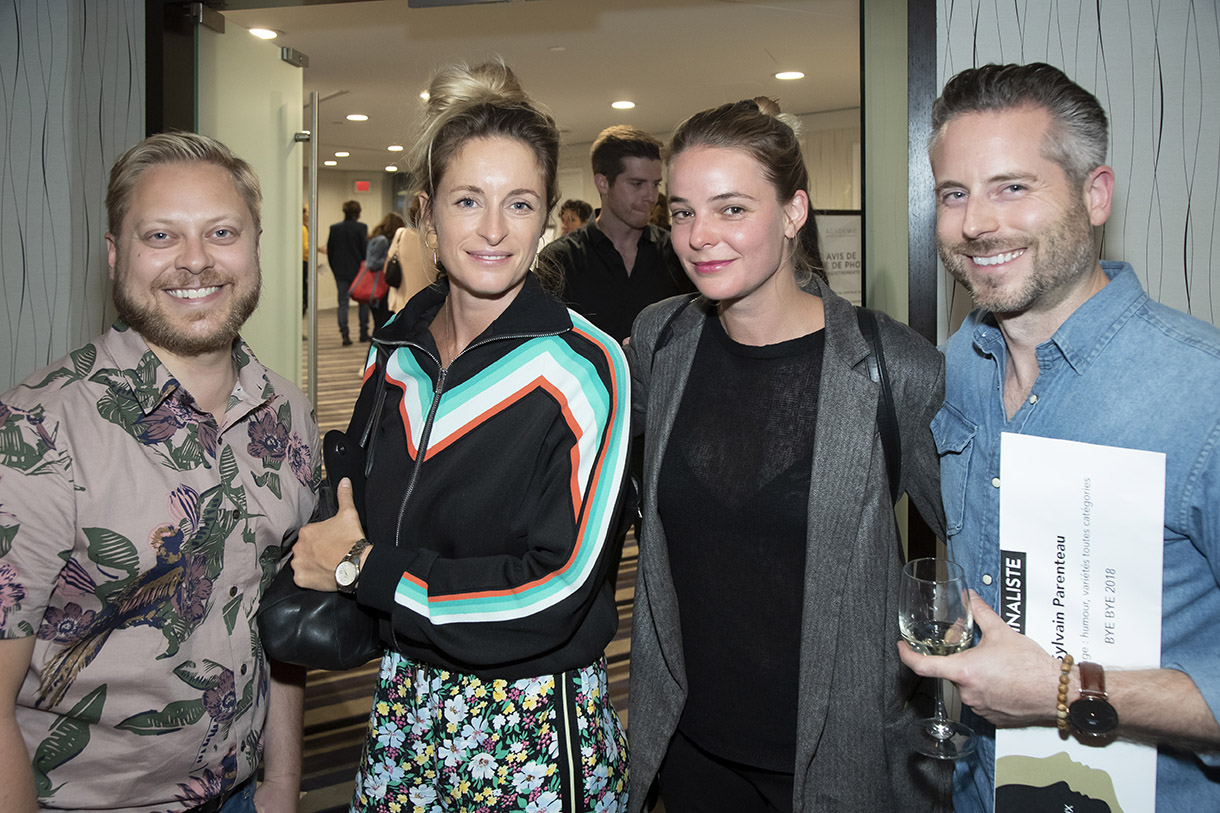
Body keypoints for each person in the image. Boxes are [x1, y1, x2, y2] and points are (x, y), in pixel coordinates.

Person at [290, 60, 631, 812]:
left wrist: (363, 567)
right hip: (401, 704)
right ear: (426, 212)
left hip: (528, 724)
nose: (493, 230)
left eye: (520, 204)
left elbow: (557, 590)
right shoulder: (396, 349)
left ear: (546, 218)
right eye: (468, 200)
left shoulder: (583, 365)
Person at [899, 62, 1220, 810]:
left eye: (1013, 186)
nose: (977, 223)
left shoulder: (1201, 394)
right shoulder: (958, 367)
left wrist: (1064, 690)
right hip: (977, 788)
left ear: (1095, 195)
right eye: (954, 193)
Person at [626, 97, 948, 812]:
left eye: (732, 209)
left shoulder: (892, 367)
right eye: (682, 212)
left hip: (838, 757)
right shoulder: (662, 341)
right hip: (692, 749)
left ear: (794, 211)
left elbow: (984, 539)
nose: (699, 236)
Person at [0, 132, 319, 812]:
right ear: (116, 256)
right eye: (161, 236)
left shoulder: (288, 415)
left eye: (221, 232)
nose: (196, 259)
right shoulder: (34, 432)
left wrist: (281, 782)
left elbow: (281, 619)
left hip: (242, 793)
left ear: (256, 247)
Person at [539, 125, 692, 343]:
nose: (651, 196)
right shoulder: (560, 259)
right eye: (637, 184)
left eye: (655, 184)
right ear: (603, 183)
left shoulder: (677, 251)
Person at [327, 199, 370, 345]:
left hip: (340, 271)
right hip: (359, 272)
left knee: (342, 304)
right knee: (363, 302)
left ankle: (345, 335)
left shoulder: (335, 228)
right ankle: (363, 333)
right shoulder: (361, 228)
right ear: (358, 212)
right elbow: (365, 251)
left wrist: (335, 269)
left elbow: (330, 252)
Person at [383, 196, 434, 314]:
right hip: (430, 307)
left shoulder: (401, 234)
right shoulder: (437, 240)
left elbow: (386, 269)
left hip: (402, 305)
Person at [364, 211, 406, 332]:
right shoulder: (382, 240)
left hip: (377, 287)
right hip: (380, 287)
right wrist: (391, 260)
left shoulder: (376, 238)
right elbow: (372, 263)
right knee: (381, 324)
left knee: (380, 323)